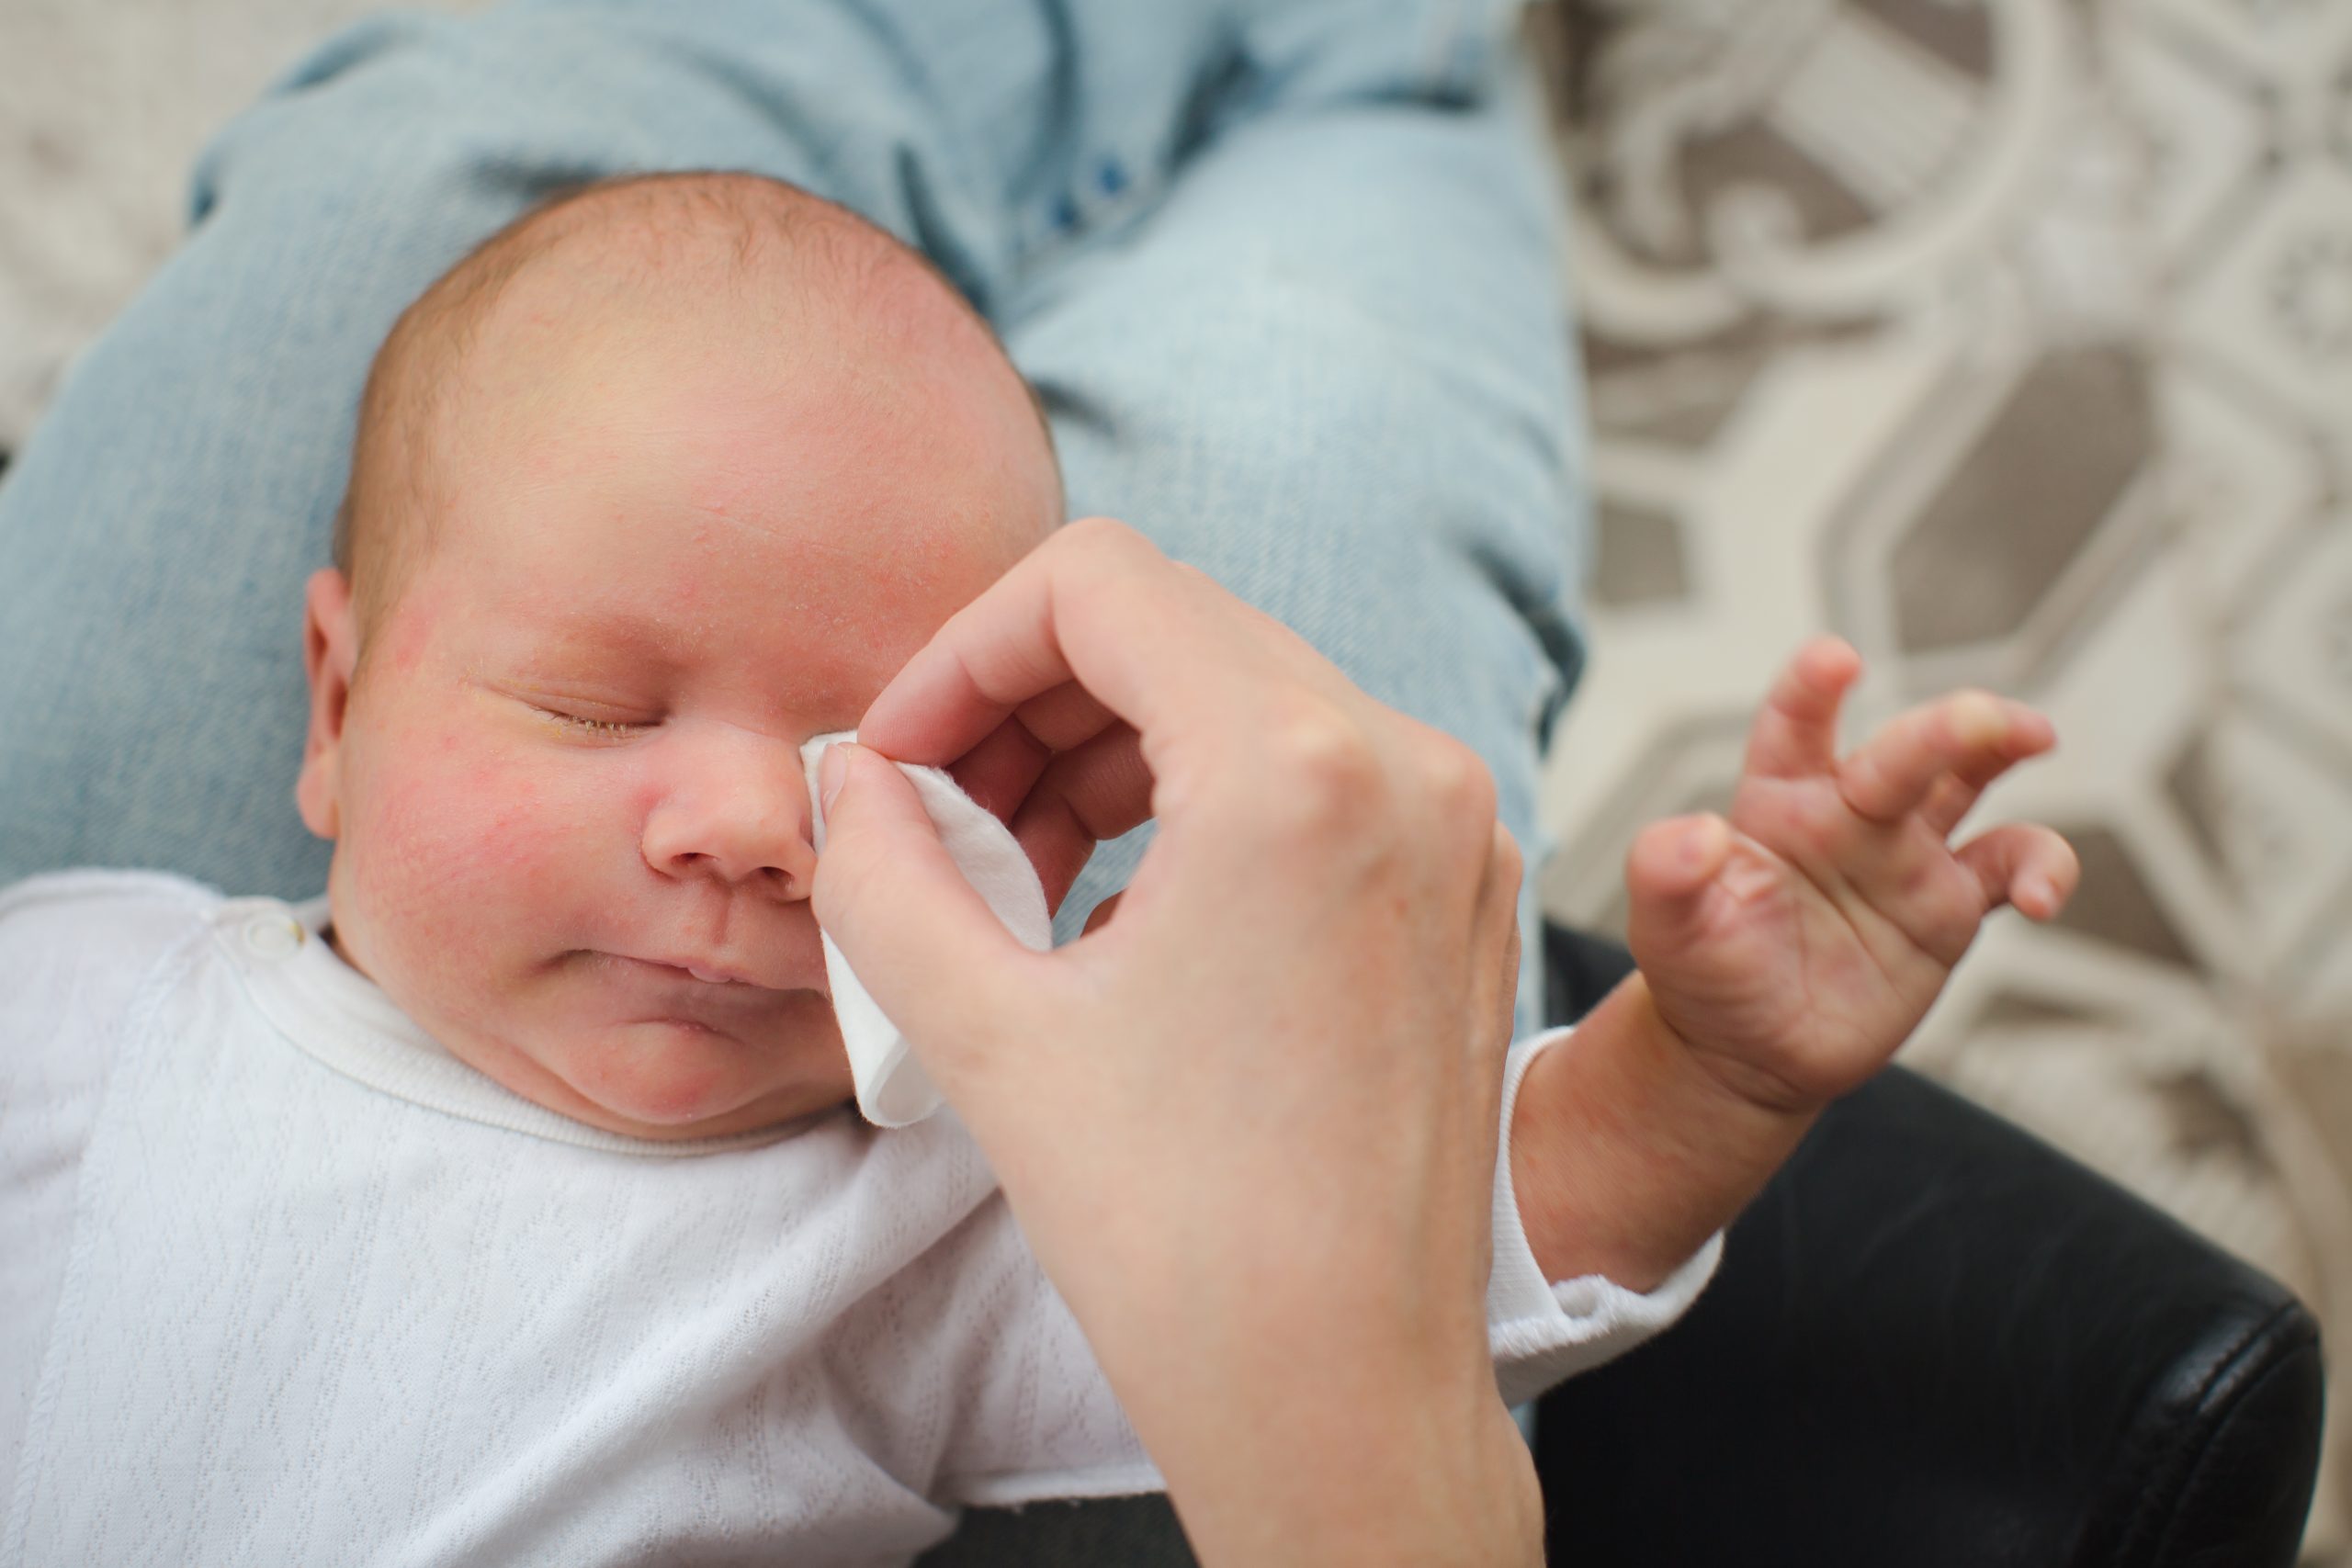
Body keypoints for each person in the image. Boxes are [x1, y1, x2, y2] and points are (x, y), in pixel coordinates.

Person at [0, 6, 2078, 1562]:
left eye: (866, 754)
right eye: (593, 706)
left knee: (460, 152)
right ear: (335, 700)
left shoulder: (891, 1230)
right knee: (1331, 364)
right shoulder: (93, 995)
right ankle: (1391, 62)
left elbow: (1393, 1251)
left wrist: (1695, 1079)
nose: (742, 824)